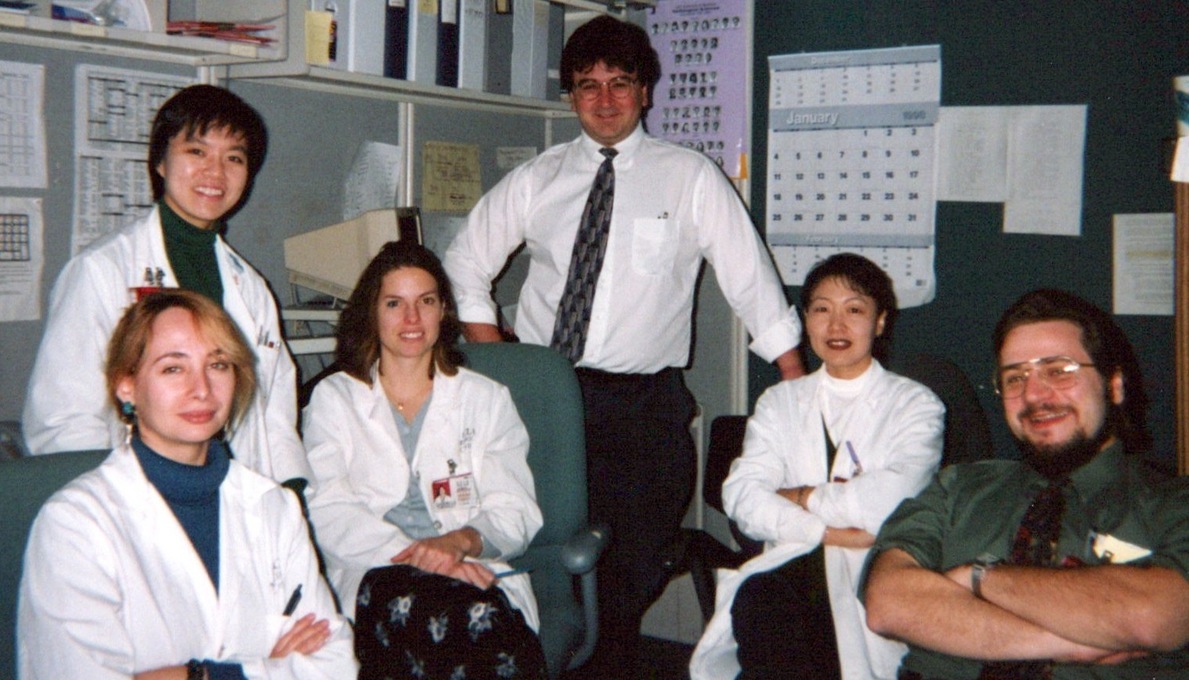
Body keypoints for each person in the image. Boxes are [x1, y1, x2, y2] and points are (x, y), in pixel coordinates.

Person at [443, 15, 804, 670]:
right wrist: (499, 355)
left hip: (641, 410)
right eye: (587, 86)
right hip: (546, 400)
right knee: (538, 560)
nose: (604, 100)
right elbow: (464, 261)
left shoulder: (688, 176)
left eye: (619, 83)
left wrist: (797, 384)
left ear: (645, 91)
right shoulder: (539, 178)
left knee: (626, 575)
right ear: (570, 95)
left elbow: (750, 281)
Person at [17, 289, 356, 679]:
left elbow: (335, 663)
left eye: (218, 364)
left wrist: (191, 675)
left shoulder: (273, 505)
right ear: (126, 385)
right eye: (173, 368)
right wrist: (253, 668)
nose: (202, 389)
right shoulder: (75, 525)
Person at [862, 288, 1189, 679]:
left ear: (1114, 385)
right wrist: (1074, 643)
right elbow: (888, 603)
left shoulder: (1174, 504)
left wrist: (980, 577)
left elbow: (1155, 616)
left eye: (1058, 371)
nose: (1033, 394)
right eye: (1014, 378)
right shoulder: (957, 489)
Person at [22, 84, 310, 487]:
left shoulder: (250, 286)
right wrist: (108, 509)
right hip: (130, 495)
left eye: (234, 158)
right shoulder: (102, 270)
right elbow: (65, 420)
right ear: (160, 161)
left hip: (235, 494)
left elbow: (274, 413)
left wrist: (289, 495)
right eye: (197, 152)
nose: (215, 172)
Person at [690, 253, 945, 680]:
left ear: (880, 322)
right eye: (822, 309)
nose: (837, 325)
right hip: (790, 565)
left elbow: (890, 500)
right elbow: (742, 496)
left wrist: (800, 496)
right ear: (806, 320)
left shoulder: (916, 404)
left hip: (877, 571)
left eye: (855, 310)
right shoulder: (780, 402)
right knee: (769, 607)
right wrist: (826, 532)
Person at [302, 241, 546, 679]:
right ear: (371, 313)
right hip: (377, 571)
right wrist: (423, 557)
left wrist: (458, 544)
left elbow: (514, 511)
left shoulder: (485, 400)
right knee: (476, 622)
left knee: (474, 620)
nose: (411, 319)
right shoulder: (334, 399)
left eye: (426, 302)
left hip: (470, 568)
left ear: (443, 312)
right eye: (395, 303)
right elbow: (329, 512)